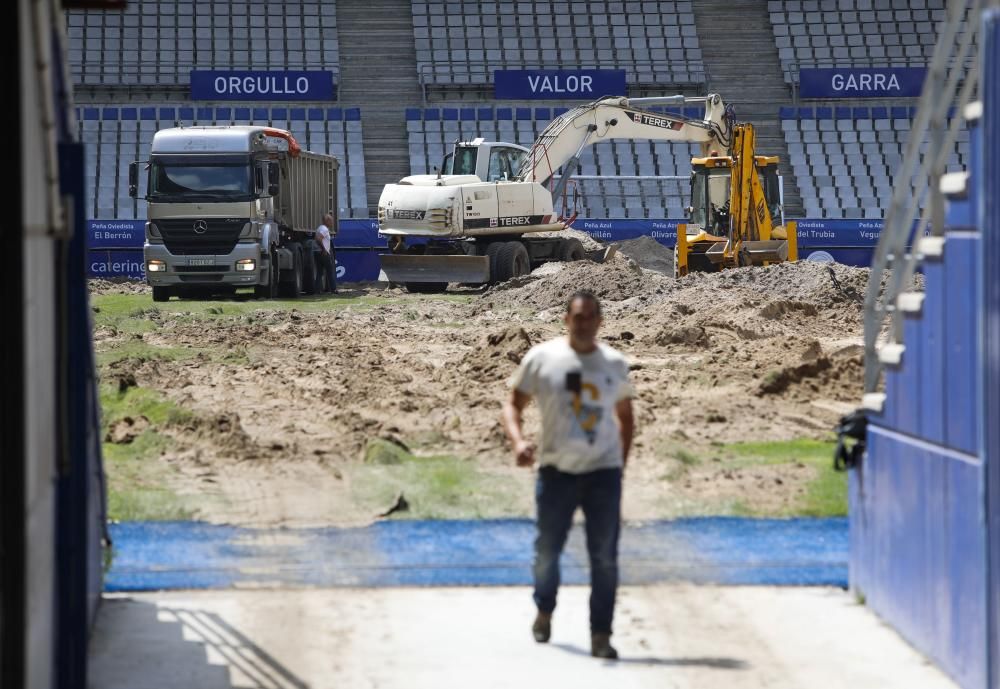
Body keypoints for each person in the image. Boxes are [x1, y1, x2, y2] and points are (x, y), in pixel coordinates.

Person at [501, 290, 634, 660]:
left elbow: (626, 419)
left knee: (604, 558)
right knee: (546, 552)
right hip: (556, 472)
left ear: (600, 322)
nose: (584, 323)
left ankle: (601, 635)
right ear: (566, 320)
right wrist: (518, 442)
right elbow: (512, 405)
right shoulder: (543, 359)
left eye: (591, 316)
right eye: (578, 316)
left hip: (603, 475)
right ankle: (544, 610)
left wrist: (619, 466)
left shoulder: (613, 363)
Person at [314, 213, 337, 294]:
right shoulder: (324, 229)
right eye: (330, 220)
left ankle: (317, 290)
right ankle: (333, 289)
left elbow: (316, 238)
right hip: (324, 253)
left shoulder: (319, 228)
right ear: (326, 221)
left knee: (319, 272)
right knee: (330, 271)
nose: (332, 222)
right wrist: (323, 249)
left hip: (318, 252)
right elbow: (318, 238)